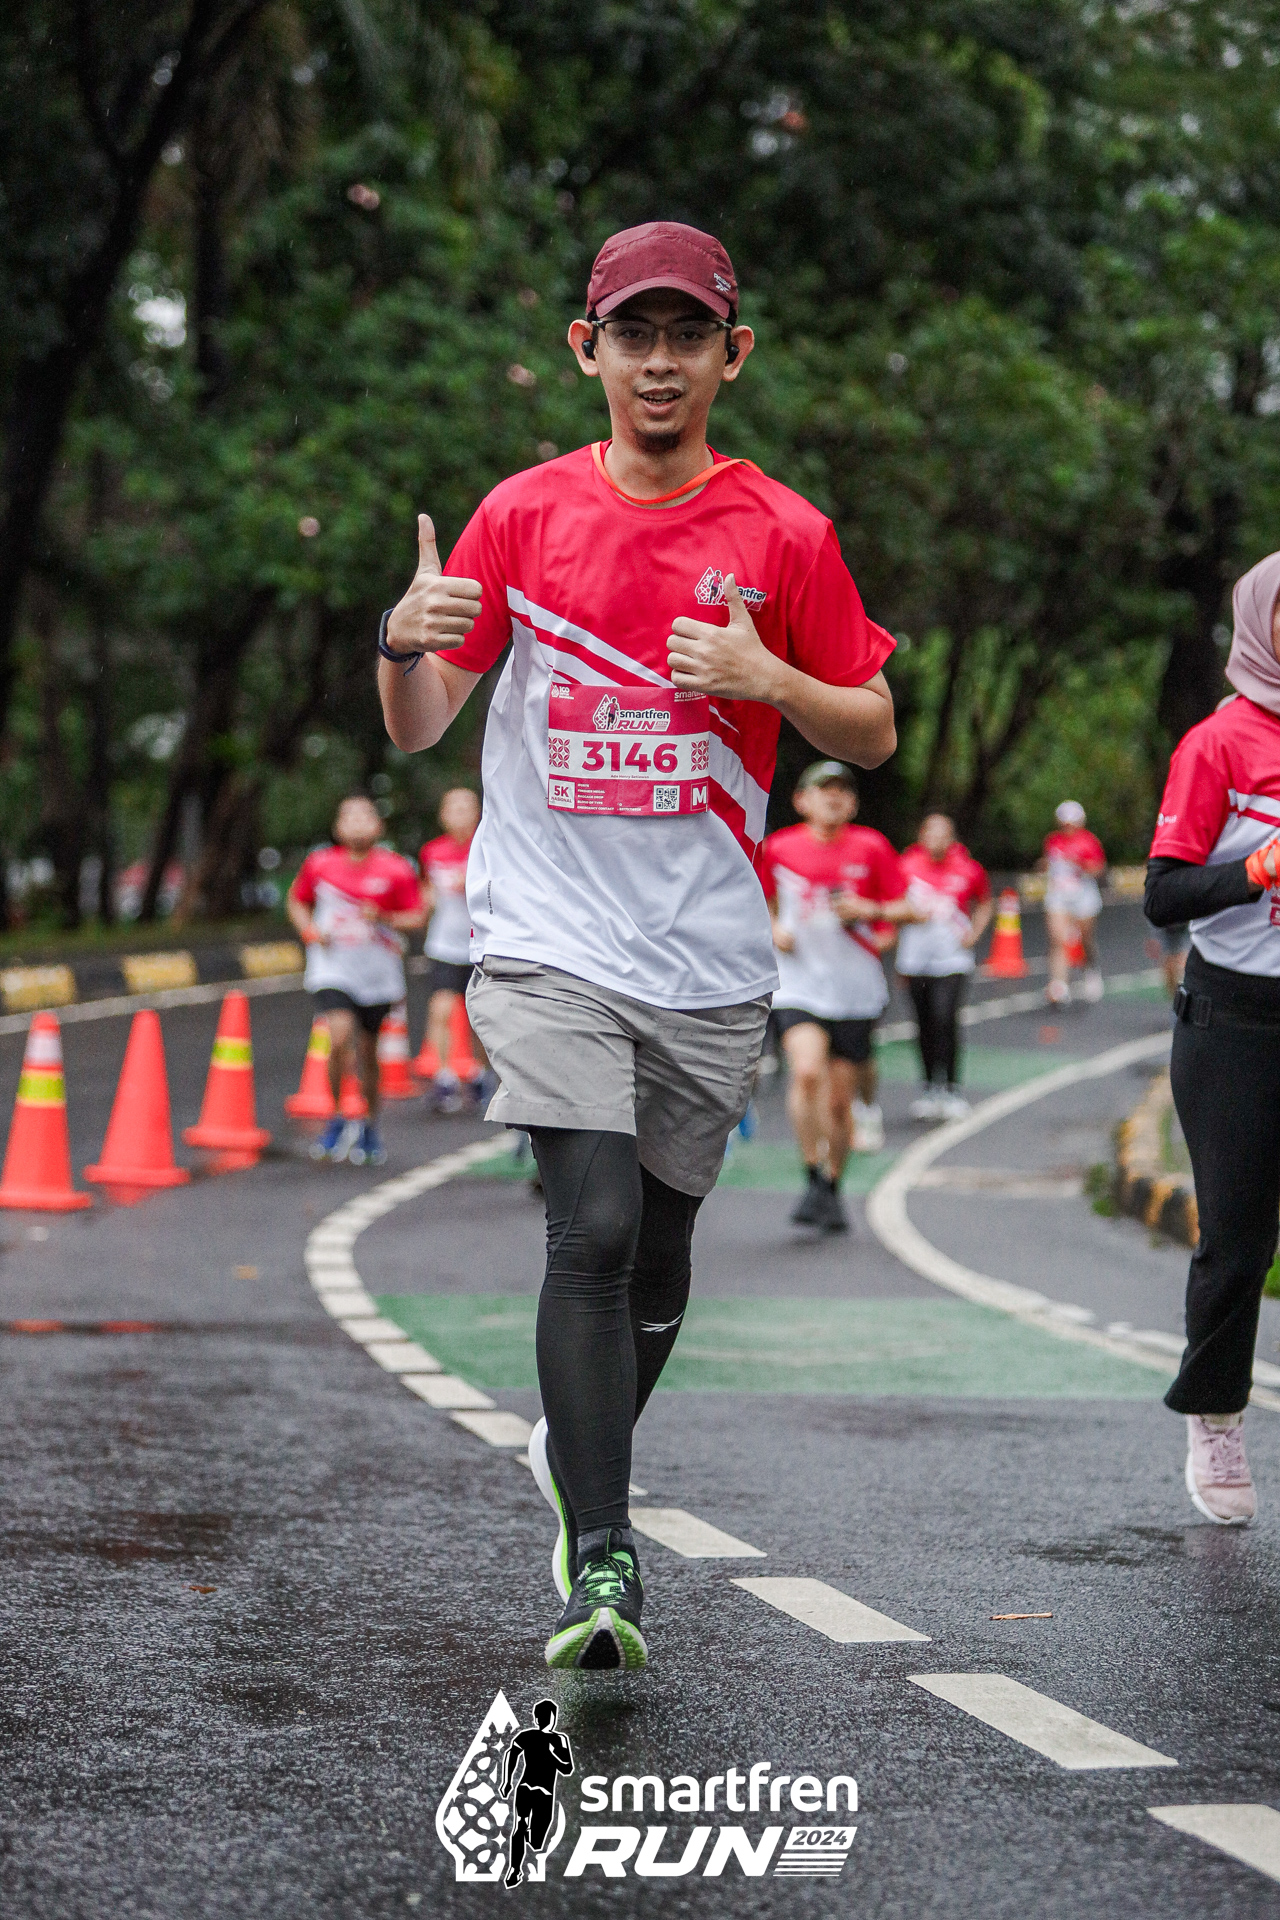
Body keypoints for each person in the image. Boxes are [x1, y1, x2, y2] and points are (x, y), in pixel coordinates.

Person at [376, 221, 897, 1668]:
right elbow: (419, 726)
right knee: (591, 1228)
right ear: (586, 350)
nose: (657, 362)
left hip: (707, 954)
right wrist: (402, 642)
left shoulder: (783, 533)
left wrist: (768, 675)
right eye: (631, 334)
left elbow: (871, 726)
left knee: (660, 1256)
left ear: (732, 355)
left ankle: (577, 1442)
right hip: (546, 936)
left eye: (686, 336)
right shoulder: (521, 515)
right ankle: (602, 1558)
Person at [1146, 549, 1280, 1527]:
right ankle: (1216, 1415)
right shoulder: (1218, 744)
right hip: (1233, 1021)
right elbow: (1163, 893)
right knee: (1236, 1240)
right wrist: (1258, 870)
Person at [760, 762, 907, 1231]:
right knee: (806, 1073)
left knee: (841, 1103)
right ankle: (811, 1174)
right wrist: (772, 928)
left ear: (854, 804)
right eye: (824, 789)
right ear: (801, 800)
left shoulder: (871, 846)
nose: (834, 797)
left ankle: (832, 1183)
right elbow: (756, 899)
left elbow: (911, 907)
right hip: (799, 983)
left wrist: (871, 910)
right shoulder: (779, 848)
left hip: (855, 990)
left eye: (843, 790)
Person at [286, 794, 426, 1165]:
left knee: (368, 1053)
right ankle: (336, 1117)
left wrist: (384, 917)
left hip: (378, 974)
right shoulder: (320, 864)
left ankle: (369, 1125)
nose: (358, 822)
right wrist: (309, 930)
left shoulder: (396, 868)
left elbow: (417, 917)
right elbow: (296, 900)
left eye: (366, 816)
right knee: (338, 1036)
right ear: (338, 827)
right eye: (349, 816)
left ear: (379, 826)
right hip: (333, 968)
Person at [896, 812, 992, 1120]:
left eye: (943, 834)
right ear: (921, 836)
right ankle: (929, 1089)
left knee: (945, 1018)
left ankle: (951, 1089)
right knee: (923, 1023)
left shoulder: (968, 868)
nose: (937, 840)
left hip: (953, 960)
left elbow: (985, 902)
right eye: (931, 833)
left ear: (952, 838)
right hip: (914, 960)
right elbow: (888, 902)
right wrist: (907, 915)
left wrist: (974, 932)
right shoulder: (905, 866)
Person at [419, 786, 484, 1111]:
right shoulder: (431, 852)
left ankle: (481, 1074)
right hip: (444, 944)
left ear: (478, 812)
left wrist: (471, 885)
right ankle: (444, 1078)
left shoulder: (488, 847)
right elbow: (426, 894)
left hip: (481, 945)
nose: (459, 813)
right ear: (442, 815)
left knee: (479, 1017)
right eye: (453, 808)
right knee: (440, 1009)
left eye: (466, 807)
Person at [499, 1699, 573, 1888]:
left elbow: (567, 1768)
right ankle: (515, 1869)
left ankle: (527, 1839)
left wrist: (551, 1755)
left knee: (536, 1840)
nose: (547, 1720)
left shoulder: (559, 1739)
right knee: (520, 1825)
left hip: (542, 1792)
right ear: (537, 1718)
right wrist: (507, 1781)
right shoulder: (528, 1736)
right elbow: (511, 1754)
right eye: (544, 1716)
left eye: (549, 1716)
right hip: (529, 1788)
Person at [1041, 800, 1106, 1005]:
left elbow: (1098, 869)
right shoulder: (1053, 841)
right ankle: (1059, 985)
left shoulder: (1089, 841)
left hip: (1083, 894)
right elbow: (1049, 864)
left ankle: (1090, 969)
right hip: (1059, 894)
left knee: (1085, 938)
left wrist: (1079, 864)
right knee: (1058, 939)